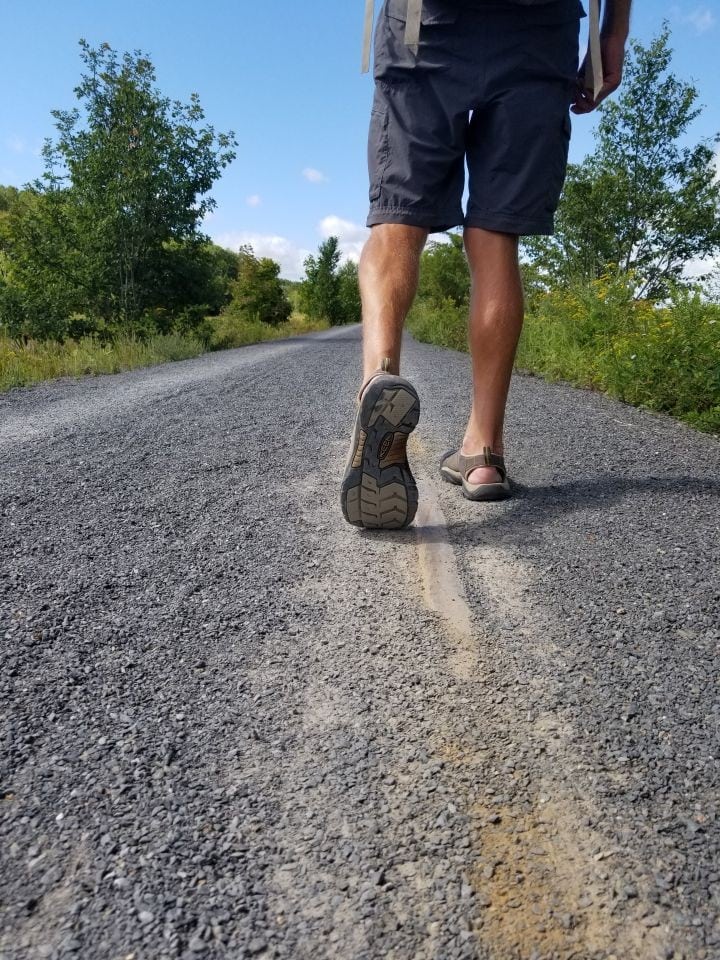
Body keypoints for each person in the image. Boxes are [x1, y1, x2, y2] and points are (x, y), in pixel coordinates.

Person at [341, 0, 631, 529]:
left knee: (397, 221)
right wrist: (613, 33)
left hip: (422, 23)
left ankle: (379, 383)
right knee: (495, 235)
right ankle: (483, 455)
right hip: (540, 30)